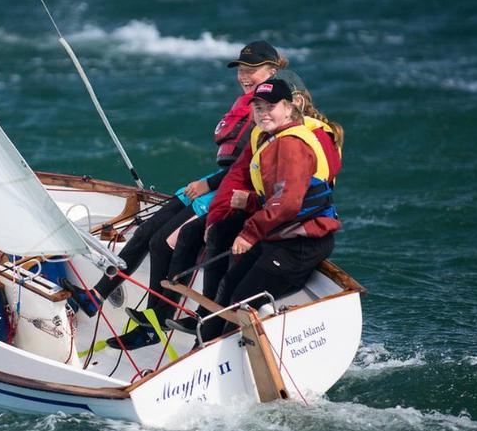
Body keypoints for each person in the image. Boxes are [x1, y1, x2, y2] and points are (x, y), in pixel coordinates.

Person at [63, 40, 287, 350]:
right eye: (241, 70)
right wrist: (207, 182)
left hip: (231, 188)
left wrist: (209, 186)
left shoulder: (271, 108)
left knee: (164, 241)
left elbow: (254, 165)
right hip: (219, 180)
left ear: (272, 71)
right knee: (145, 232)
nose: (245, 75)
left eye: (253, 70)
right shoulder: (248, 103)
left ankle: (158, 318)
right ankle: (97, 296)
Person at [166, 71, 343, 336]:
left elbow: (288, 203)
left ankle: (215, 354)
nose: (263, 113)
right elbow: (284, 197)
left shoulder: (292, 145)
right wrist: (250, 200)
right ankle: (203, 342)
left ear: (289, 107)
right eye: (258, 108)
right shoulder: (274, 137)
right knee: (230, 287)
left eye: (271, 107)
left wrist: (250, 234)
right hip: (279, 236)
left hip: (300, 244)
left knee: (240, 303)